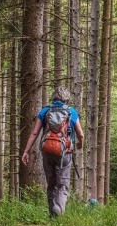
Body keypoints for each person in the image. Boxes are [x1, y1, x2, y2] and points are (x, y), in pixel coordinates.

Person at [21, 86, 84, 217]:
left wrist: (26, 151)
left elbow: (34, 133)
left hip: (47, 151)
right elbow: (81, 134)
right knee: (63, 183)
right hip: (64, 152)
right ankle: (58, 210)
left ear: (54, 97)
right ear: (67, 99)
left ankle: (52, 213)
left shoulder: (45, 111)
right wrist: (79, 144)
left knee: (51, 183)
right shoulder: (71, 112)